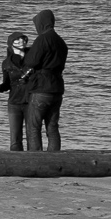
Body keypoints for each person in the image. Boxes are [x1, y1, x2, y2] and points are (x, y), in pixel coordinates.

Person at [20, 8, 68, 152]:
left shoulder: (42, 39)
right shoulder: (61, 43)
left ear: (41, 23)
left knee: (33, 127)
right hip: (57, 89)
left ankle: (36, 160)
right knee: (52, 127)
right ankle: (54, 159)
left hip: (41, 88)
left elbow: (31, 61)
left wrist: (25, 54)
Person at [0, 31, 31, 150]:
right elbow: (7, 84)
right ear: (11, 43)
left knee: (32, 136)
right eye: (17, 40)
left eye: (23, 39)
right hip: (14, 102)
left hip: (31, 101)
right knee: (15, 139)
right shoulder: (6, 63)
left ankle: (34, 158)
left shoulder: (32, 58)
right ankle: (15, 159)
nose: (21, 41)